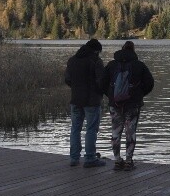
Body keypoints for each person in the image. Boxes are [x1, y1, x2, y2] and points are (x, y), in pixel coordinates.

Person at [102, 41, 154, 171]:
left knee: (116, 132)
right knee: (130, 132)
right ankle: (129, 161)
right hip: (133, 104)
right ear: (133, 51)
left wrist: (111, 96)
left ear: (121, 49)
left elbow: (102, 82)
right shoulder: (139, 65)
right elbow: (150, 83)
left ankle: (117, 160)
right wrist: (139, 94)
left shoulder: (111, 65)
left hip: (115, 104)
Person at [65, 38, 106, 168]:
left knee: (75, 129)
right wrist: (101, 93)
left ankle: (74, 158)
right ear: (96, 51)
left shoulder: (72, 60)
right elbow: (101, 81)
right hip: (92, 101)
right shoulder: (95, 61)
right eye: (98, 52)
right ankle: (90, 158)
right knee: (91, 129)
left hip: (76, 100)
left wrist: (76, 88)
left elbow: (67, 80)